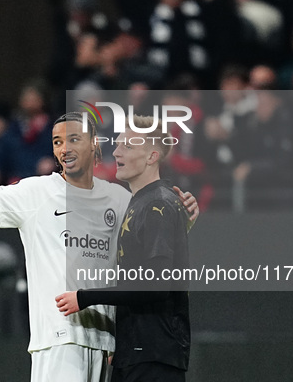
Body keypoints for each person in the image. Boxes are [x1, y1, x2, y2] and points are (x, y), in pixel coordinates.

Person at [0, 112, 198, 382]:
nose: (64, 148)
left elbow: (146, 244)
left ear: (93, 144)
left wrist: (182, 219)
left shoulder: (119, 198)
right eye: (57, 142)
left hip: (105, 341)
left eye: (73, 139)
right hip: (58, 337)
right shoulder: (36, 192)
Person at [55, 115, 191, 381]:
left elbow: (154, 285)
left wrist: (84, 297)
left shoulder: (158, 205)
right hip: (138, 352)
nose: (116, 152)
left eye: (127, 146)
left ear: (152, 156)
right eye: (117, 145)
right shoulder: (142, 203)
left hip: (153, 356)